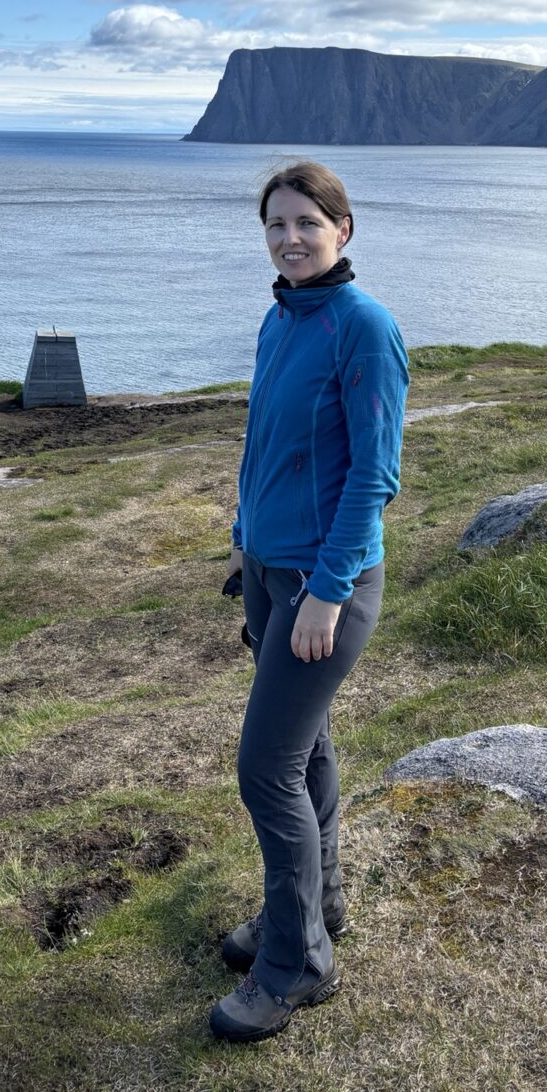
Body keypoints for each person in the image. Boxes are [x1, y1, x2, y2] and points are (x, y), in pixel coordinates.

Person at [209, 160, 408, 1043]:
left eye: (307, 223)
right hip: (269, 569)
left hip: (328, 581)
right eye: (276, 224)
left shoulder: (364, 328)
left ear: (344, 229)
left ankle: (296, 967)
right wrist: (246, 547)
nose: (290, 238)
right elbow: (268, 442)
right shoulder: (280, 316)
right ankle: (315, 909)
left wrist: (326, 593)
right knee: (307, 751)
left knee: (265, 770)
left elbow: (374, 477)